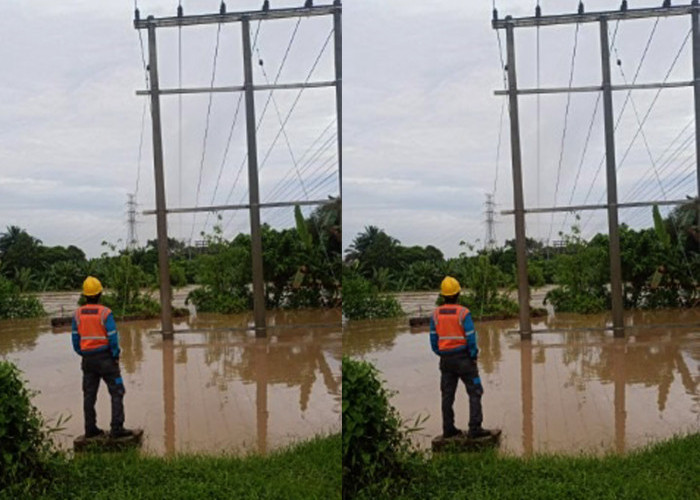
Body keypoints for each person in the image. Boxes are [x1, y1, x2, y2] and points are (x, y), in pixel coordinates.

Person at [430, 276, 492, 439]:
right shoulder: (463, 313)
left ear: (443, 295)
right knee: (475, 391)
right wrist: (473, 356)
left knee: (447, 395)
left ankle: (448, 429)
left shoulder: (435, 314)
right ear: (458, 294)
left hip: (446, 361)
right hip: (465, 359)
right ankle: (475, 428)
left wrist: (442, 353)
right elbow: (471, 338)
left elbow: (433, 340)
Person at [72, 276, 134, 439]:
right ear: (100, 294)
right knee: (117, 391)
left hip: (88, 361)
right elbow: (113, 338)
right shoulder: (105, 313)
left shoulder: (77, 314)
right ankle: (117, 428)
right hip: (106, 359)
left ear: (85, 295)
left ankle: (90, 429)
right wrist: (115, 355)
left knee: (89, 395)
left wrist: (83, 352)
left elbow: (75, 339)